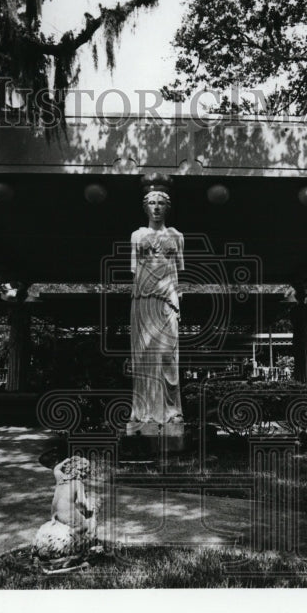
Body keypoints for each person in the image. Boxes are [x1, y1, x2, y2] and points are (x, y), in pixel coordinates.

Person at [127, 174, 184, 434]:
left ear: (167, 207)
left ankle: (172, 413)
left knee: (167, 356)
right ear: (145, 207)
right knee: (144, 358)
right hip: (143, 299)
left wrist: (175, 298)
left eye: (161, 203)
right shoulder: (137, 236)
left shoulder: (177, 236)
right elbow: (135, 269)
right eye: (152, 203)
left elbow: (176, 270)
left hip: (167, 298)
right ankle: (143, 414)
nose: (157, 207)